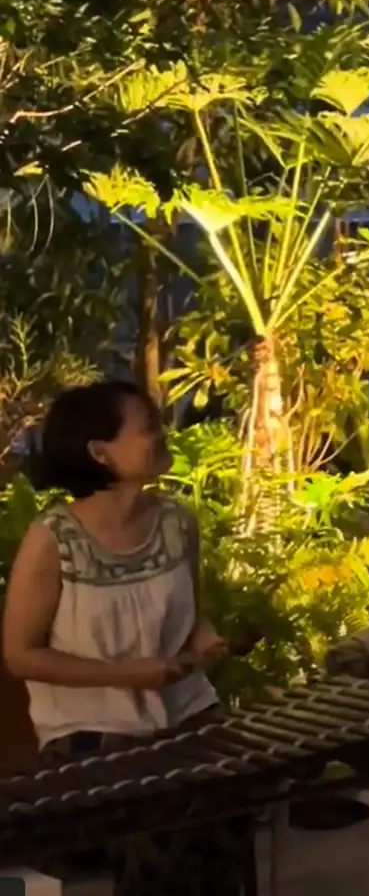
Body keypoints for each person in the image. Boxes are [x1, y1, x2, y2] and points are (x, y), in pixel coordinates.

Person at [1, 381, 253, 895]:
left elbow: (194, 615)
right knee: (164, 821)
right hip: (90, 733)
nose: (162, 434)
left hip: (187, 713)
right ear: (101, 453)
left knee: (233, 803)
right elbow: (21, 655)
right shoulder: (52, 540)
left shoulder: (179, 523)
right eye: (148, 427)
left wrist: (205, 640)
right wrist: (128, 675)